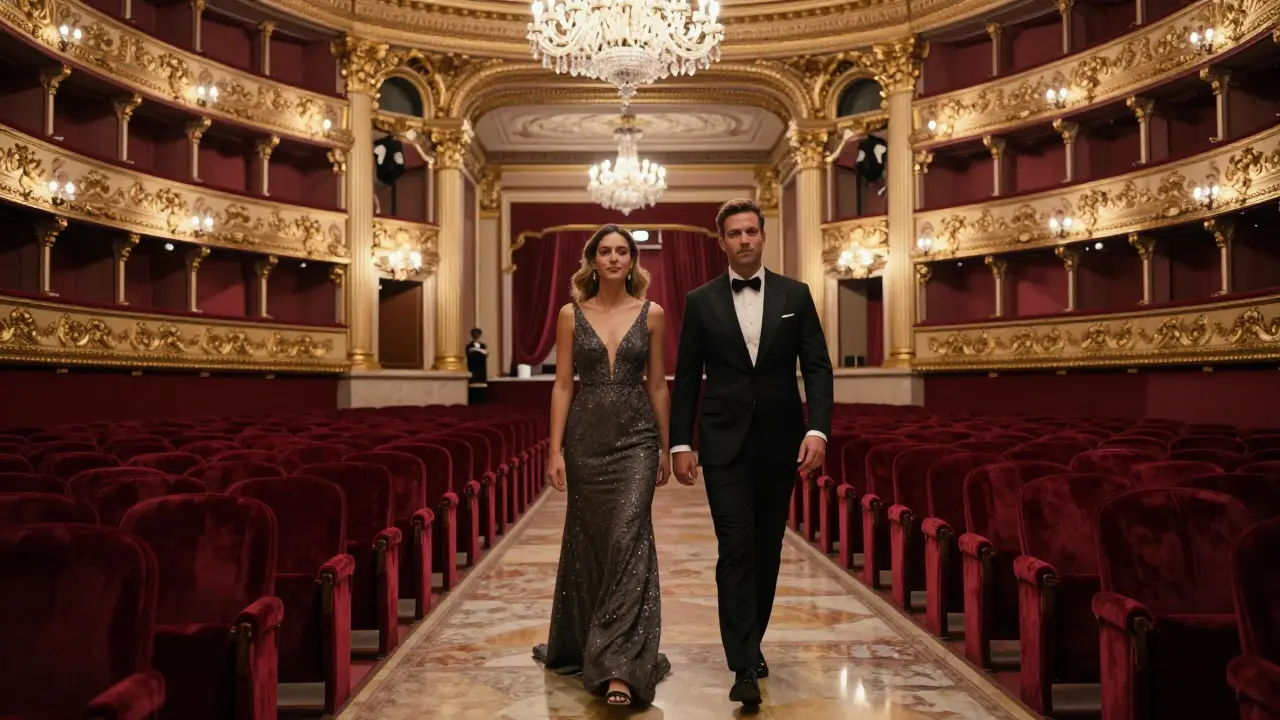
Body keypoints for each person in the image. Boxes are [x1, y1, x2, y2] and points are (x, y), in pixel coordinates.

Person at [669, 198, 834, 710]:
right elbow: (687, 378)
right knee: (735, 547)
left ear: (763, 236)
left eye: (751, 232)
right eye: (734, 233)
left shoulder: (796, 294)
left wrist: (818, 430)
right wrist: (680, 442)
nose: (744, 240)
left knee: (766, 549)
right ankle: (742, 663)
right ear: (721, 242)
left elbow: (818, 367)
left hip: (781, 442)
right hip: (723, 444)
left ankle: (752, 641)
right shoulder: (700, 301)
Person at [533, 224, 679, 707]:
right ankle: (589, 641)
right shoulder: (569, 315)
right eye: (605, 251)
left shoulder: (652, 313)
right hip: (586, 440)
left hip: (637, 439)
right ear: (592, 260)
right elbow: (562, 385)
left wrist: (667, 446)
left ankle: (620, 666)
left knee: (627, 538)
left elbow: (657, 385)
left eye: (622, 251)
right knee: (592, 541)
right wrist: (554, 450)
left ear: (632, 260)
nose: (614, 258)